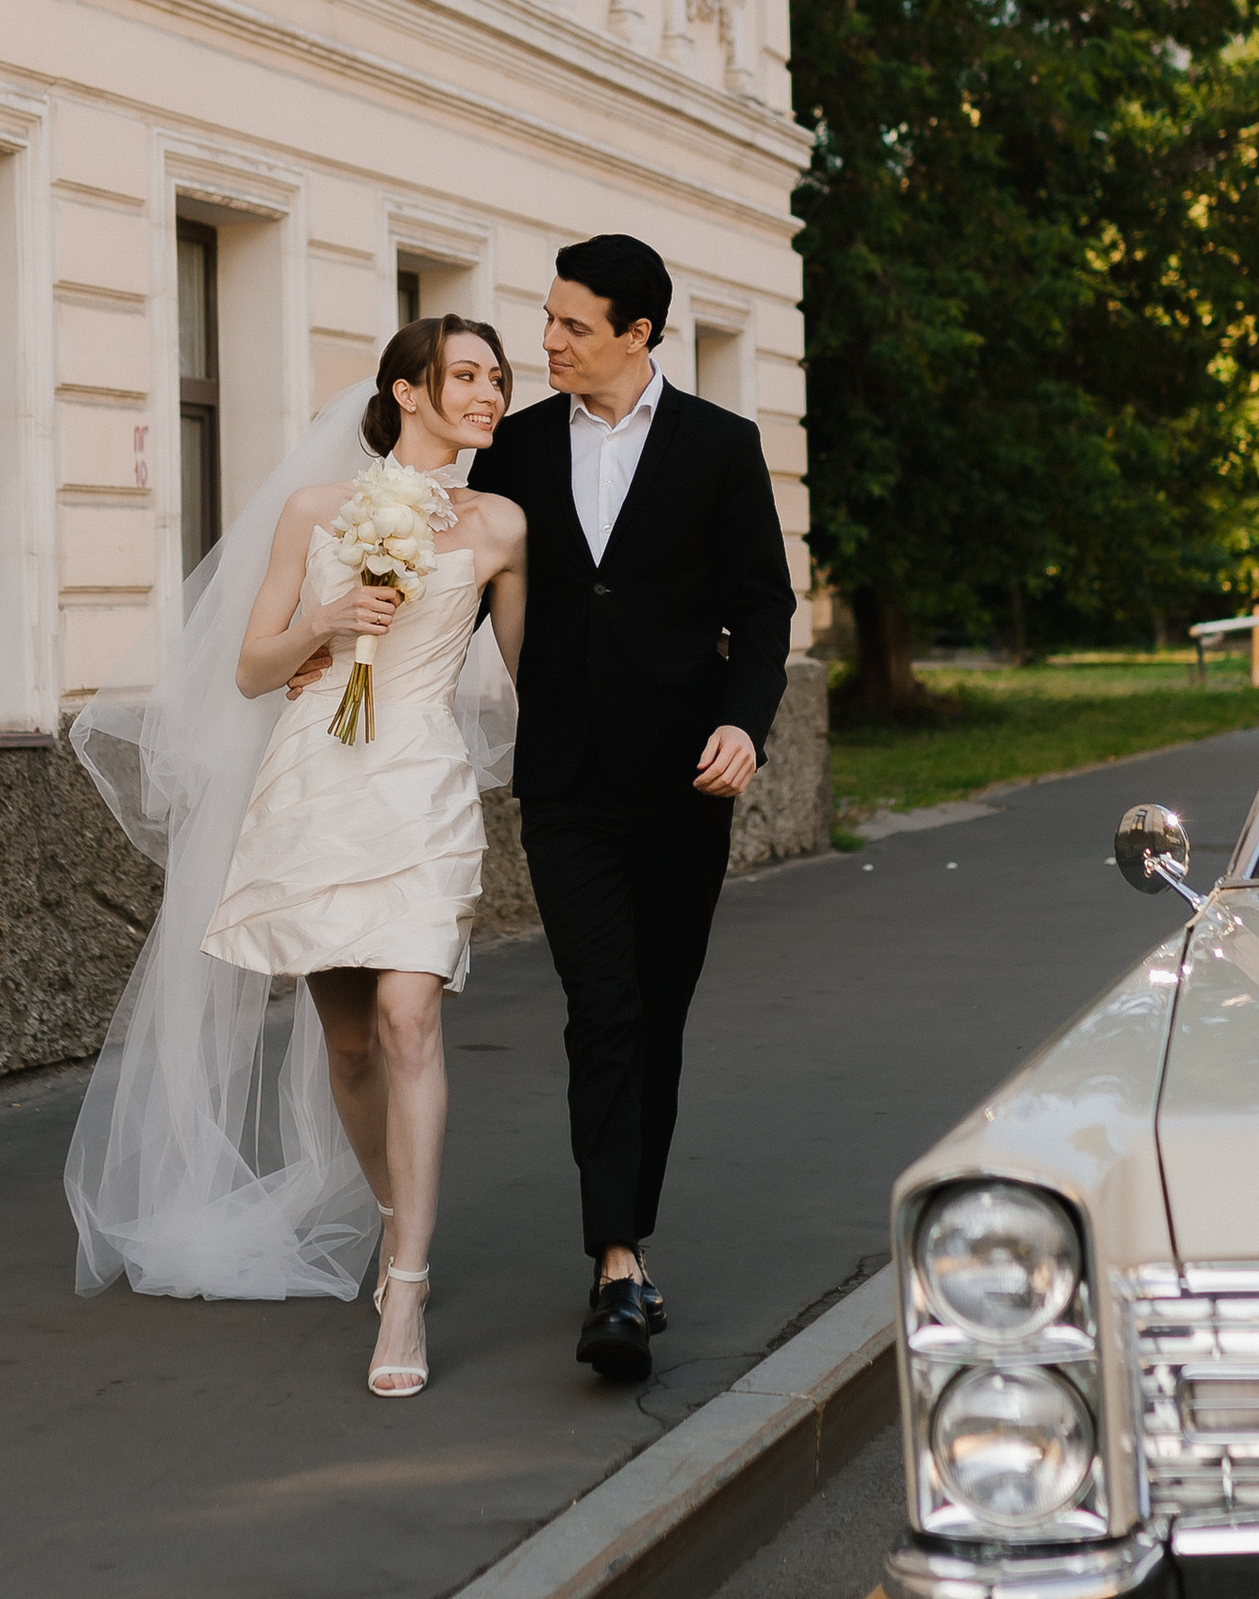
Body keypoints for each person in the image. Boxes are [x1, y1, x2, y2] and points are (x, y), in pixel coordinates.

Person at [64, 319, 525, 1400]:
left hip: (419, 776)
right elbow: (247, 668)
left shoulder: (501, 526)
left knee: (412, 1014)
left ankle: (404, 1284)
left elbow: (532, 666)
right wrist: (325, 619)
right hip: (316, 780)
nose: (489, 394)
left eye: (498, 381)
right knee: (353, 1040)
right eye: (468, 376)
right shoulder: (317, 511)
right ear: (407, 391)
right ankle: (389, 1207)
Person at [476, 233, 794, 1383]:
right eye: (547, 319)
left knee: (655, 1011)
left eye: (569, 325)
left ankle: (629, 1236)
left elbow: (764, 610)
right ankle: (615, 1263)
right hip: (563, 778)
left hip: (681, 777)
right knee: (600, 1004)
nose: (546, 341)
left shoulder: (721, 447)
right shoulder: (509, 449)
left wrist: (743, 724)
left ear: (637, 335)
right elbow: (460, 591)